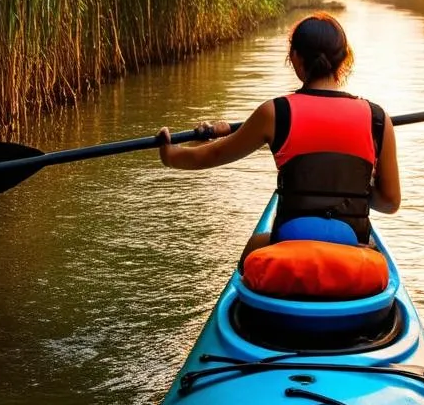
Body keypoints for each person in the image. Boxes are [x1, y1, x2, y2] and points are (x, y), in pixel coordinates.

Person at [157, 13, 401, 265]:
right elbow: (390, 202)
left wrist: (170, 155)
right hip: (353, 247)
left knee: (256, 245)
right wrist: (359, 186)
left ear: (295, 57)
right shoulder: (378, 119)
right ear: (344, 57)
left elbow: (213, 155)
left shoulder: (275, 113)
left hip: (288, 242)